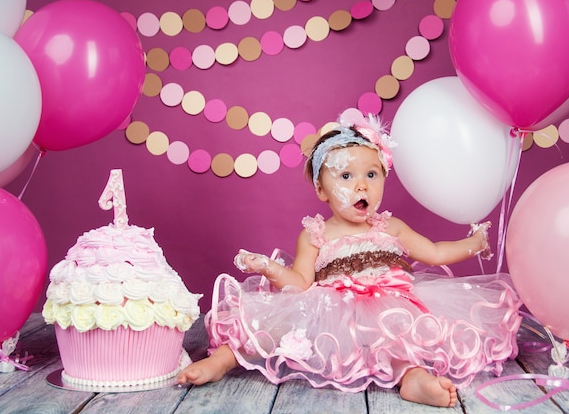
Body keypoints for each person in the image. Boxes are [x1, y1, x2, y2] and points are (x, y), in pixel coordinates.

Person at [177, 114, 522, 408]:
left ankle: (413, 379)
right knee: (270, 328)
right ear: (322, 191)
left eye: (371, 175)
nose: (361, 186)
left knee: (398, 337)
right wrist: (267, 265)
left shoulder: (392, 227)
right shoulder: (316, 234)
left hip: (389, 308)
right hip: (330, 311)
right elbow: (300, 283)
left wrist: (473, 243)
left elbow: (434, 252)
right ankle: (222, 360)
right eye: (346, 177)